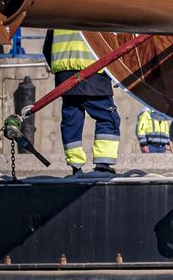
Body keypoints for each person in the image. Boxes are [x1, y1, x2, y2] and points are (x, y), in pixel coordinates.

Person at [43, 28, 120, 173]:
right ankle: (103, 164)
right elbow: (112, 44)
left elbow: (47, 48)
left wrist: (61, 70)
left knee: (72, 120)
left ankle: (75, 166)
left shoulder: (57, 14)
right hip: (92, 73)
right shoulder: (96, 10)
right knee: (108, 118)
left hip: (64, 76)